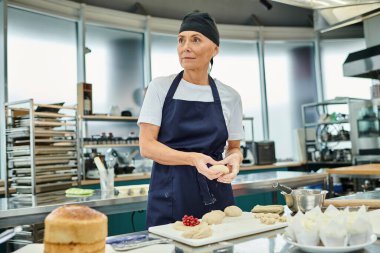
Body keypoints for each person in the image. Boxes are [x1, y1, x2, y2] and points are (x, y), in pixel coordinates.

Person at [138, 11, 244, 228]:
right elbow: (146, 146)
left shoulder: (230, 96)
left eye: (195, 39)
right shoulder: (160, 87)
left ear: (215, 49)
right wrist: (192, 159)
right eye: (181, 40)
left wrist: (235, 159)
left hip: (217, 193)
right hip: (170, 193)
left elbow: (233, 147)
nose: (185, 47)